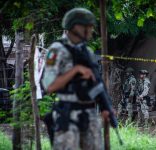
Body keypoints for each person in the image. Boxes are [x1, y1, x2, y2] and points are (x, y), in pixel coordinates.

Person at [42, 8, 106, 150]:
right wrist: (75, 70)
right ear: (76, 27)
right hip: (68, 116)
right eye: (88, 26)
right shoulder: (56, 50)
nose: (91, 30)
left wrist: (104, 106)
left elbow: (94, 84)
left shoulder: (87, 52)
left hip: (90, 116)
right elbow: (49, 86)